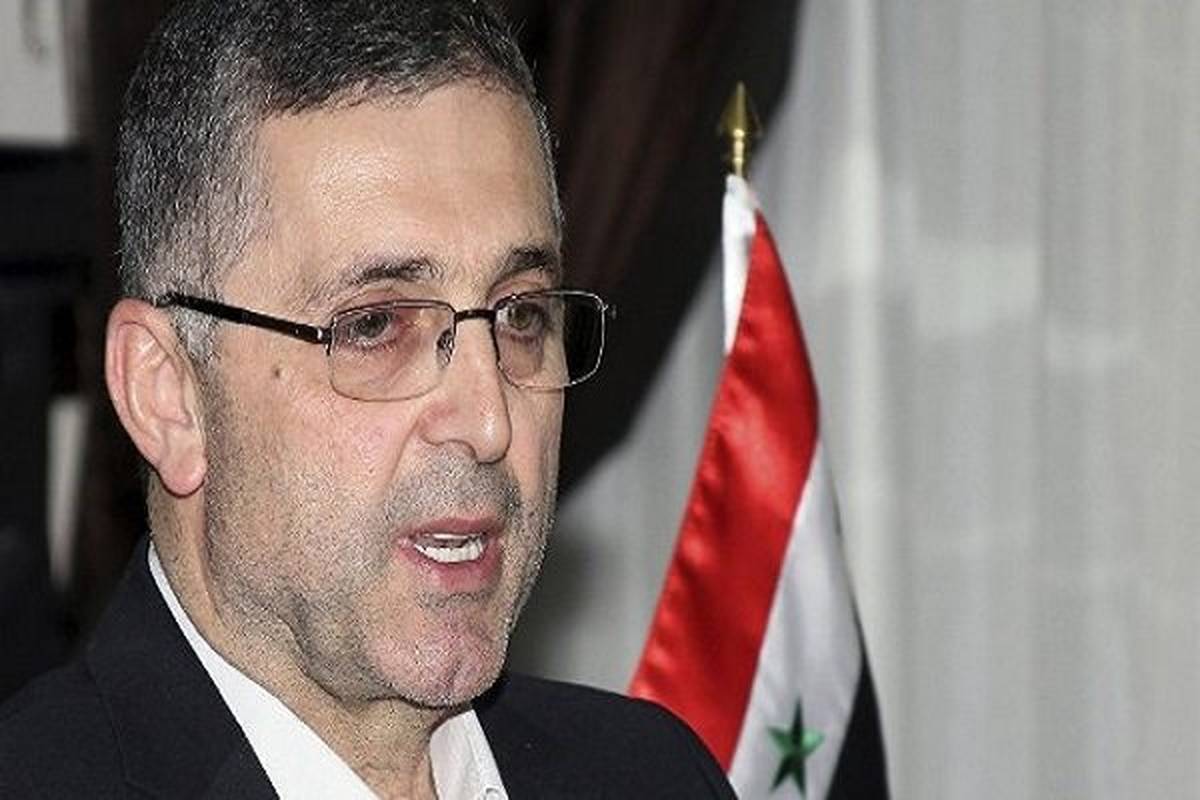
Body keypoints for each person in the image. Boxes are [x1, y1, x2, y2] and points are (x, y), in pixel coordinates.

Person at [0, 1, 735, 797]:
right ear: (167, 394)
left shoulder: (653, 775)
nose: (489, 421)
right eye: (376, 325)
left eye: (521, 314)